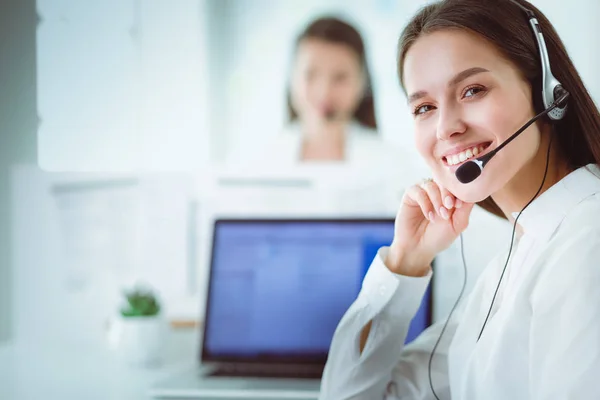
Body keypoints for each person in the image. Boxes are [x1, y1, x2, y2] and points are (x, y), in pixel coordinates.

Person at [319, 0, 600, 399]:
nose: (446, 127)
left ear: (546, 92)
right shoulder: (519, 255)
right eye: (425, 107)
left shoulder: (586, 242)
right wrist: (404, 262)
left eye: (472, 90)